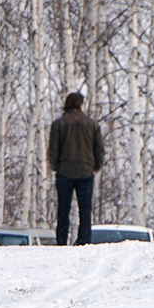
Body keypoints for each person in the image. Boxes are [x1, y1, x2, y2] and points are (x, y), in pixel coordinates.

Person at [47, 92, 104, 245]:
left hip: (65, 173)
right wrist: (95, 167)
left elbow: (53, 150)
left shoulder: (59, 124)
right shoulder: (92, 124)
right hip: (86, 172)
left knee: (63, 211)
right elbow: (99, 149)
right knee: (85, 212)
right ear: (81, 104)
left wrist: (56, 167)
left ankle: (61, 242)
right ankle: (84, 242)